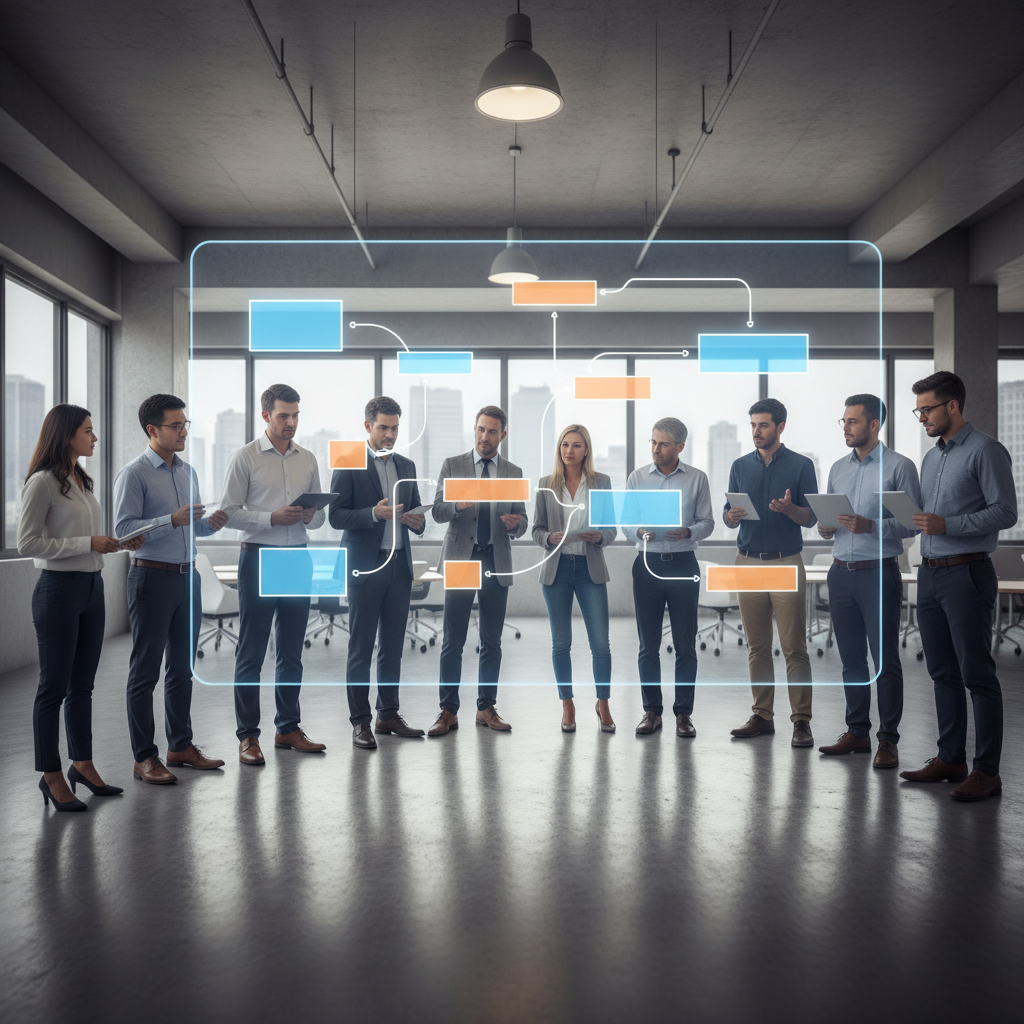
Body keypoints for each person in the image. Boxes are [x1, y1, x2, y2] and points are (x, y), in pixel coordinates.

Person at [19, 404, 144, 811]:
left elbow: (84, 536)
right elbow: (28, 543)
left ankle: (82, 764)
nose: (94, 437)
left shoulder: (80, 479)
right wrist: (87, 544)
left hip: (92, 587)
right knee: (52, 687)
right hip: (57, 591)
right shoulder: (41, 483)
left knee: (83, 687)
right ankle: (50, 775)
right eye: (87, 430)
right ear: (66, 434)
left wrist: (116, 542)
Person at [899, 371, 1017, 801]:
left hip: (967, 573)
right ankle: (951, 757)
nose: (921, 417)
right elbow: (928, 515)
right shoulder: (932, 458)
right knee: (941, 672)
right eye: (918, 410)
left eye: (926, 409)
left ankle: (987, 771)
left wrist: (949, 524)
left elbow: (1005, 512)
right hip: (929, 573)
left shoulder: (986, 450)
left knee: (977, 675)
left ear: (952, 406)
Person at [113, 394, 230, 785]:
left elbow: (192, 527)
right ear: (153, 430)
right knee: (144, 672)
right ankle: (143, 757)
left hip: (187, 577)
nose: (183, 432)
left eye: (185, 425)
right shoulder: (133, 474)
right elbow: (124, 530)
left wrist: (212, 522)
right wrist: (171, 519)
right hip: (151, 577)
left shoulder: (188, 472)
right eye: (175, 426)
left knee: (182, 668)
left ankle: (180, 745)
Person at [222, 383, 327, 765]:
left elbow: (319, 519)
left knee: (291, 653)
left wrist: (311, 515)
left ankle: (287, 728)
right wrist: (271, 517)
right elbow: (228, 513)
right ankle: (248, 737)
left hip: (297, 557)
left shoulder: (308, 459)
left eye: (296, 415)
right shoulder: (245, 458)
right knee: (251, 651)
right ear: (266, 416)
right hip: (259, 557)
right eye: (283, 415)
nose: (291, 423)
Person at [815, 394, 919, 769]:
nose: (846, 427)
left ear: (874, 425)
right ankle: (857, 731)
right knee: (852, 660)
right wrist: (826, 527)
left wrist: (871, 525)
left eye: (853, 421)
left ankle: (887, 740)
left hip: (878, 573)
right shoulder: (838, 469)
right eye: (843, 421)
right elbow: (829, 523)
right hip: (840, 572)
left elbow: (913, 523)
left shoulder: (899, 467)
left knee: (884, 660)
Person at [328, 396, 427, 749]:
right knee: (361, 646)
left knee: (392, 647)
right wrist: (373, 513)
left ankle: (387, 714)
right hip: (365, 565)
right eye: (383, 427)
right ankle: (360, 721)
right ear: (368, 426)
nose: (390, 434)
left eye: (395, 427)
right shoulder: (348, 462)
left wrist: (417, 522)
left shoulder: (408, 465)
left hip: (399, 565)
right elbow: (335, 515)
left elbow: (415, 515)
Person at [428, 405, 528, 735]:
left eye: (492, 431)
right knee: (452, 639)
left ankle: (486, 708)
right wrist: (457, 504)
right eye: (481, 430)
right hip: (462, 557)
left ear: (503, 435)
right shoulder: (453, 465)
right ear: (474, 429)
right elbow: (438, 512)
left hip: (494, 558)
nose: (485, 437)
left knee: (492, 640)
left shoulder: (513, 472)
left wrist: (516, 525)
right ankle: (448, 711)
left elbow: (523, 521)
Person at [725, 398, 818, 747]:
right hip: (746, 560)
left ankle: (801, 721)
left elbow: (810, 517)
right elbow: (727, 510)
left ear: (780, 427)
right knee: (757, 647)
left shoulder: (801, 465)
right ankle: (762, 716)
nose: (756, 432)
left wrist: (791, 508)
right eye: (752, 425)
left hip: (784, 560)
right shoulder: (738, 465)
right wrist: (730, 517)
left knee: (794, 647)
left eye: (763, 425)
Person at [629, 418, 714, 738]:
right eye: (652, 442)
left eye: (663, 444)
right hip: (647, 563)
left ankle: (683, 714)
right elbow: (627, 522)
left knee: (685, 645)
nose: (655, 449)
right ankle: (651, 712)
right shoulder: (637, 478)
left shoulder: (697, 479)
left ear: (680, 447)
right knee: (647, 645)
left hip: (683, 564)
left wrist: (689, 531)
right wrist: (639, 531)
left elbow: (707, 522)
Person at [532, 424, 617, 733]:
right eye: (565, 445)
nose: (569, 450)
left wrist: (600, 536)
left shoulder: (601, 483)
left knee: (601, 644)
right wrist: (549, 537)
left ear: (586, 450)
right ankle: (567, 704)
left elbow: (612, 530)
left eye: (576, 445)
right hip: (557, 570)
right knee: (561, 643)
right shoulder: (546, 484)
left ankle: (603, 702)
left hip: (589, 569)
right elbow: (536, 529)